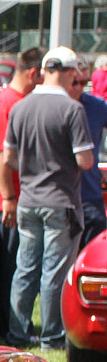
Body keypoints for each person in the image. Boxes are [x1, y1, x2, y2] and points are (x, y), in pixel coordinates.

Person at [0, 46, 94, 349]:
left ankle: (17, 333)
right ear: (67, 73)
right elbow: (85, 161)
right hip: (60, 201)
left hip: (28, 198)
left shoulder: (21, 107)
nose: (76, 81)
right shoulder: (72, 109)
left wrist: (33, 166)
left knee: (25, 269)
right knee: (54, 272)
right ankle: (51, 337)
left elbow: (8, 156)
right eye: (75, 76)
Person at [0, 47, 45, 320]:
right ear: (34, 74)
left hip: (15, 196)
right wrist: (8, 197)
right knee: (12, 266)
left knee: (18, 263)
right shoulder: (7, 103)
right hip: (6, 199)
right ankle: (5, 321)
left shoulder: (16, 101)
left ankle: (9, 320)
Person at [69, 60, 107, 244]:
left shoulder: (97, 106)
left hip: (90, 195)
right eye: (74, 82)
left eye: (83, 83)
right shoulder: (51, 106)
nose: (78, 88)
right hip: (59, 198)